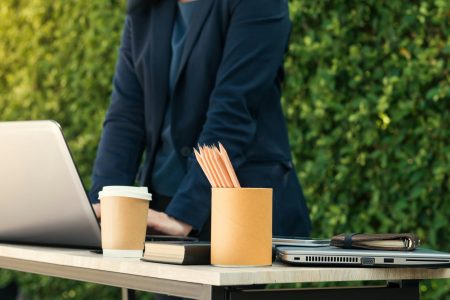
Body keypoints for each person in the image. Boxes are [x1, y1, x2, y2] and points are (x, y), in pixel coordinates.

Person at [89, 0, 311, 241]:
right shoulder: (147, 8)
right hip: (160, 207)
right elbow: (125, 117)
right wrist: (101, 207)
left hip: (236, 211)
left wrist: (183, 216)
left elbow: (233, 111)